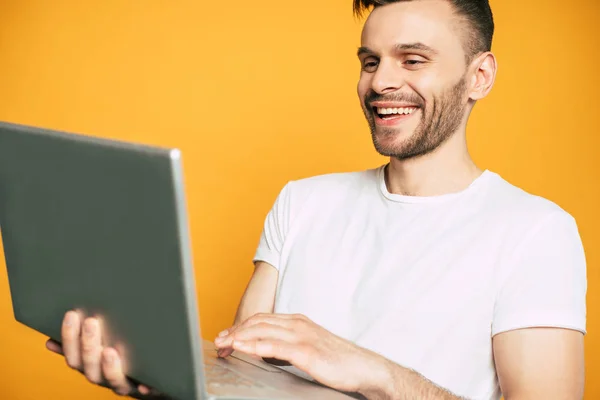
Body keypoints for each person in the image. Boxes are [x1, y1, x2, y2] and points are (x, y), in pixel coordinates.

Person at [45, 0, 588, 399]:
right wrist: (154, 379)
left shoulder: (536, 231)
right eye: (370, 61)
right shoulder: (302, 202)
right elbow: (242, 385)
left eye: (413, 60)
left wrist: (378, 374)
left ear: (480, 76)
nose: (380, 83)